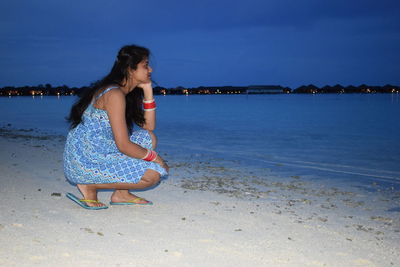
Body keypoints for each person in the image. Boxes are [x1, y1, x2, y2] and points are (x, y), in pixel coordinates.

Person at [63, 44, 169, 210]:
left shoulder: (124, 93)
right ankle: (89, 186)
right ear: (130, 69)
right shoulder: (114, 94)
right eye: (145, 65)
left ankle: (121, 194)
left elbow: (149, 126)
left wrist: (148, 91)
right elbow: (123, 145)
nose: (151, 69)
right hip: (85, 159)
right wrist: (155, 158)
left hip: (102, 149)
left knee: (149, 138)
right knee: (152, 176)